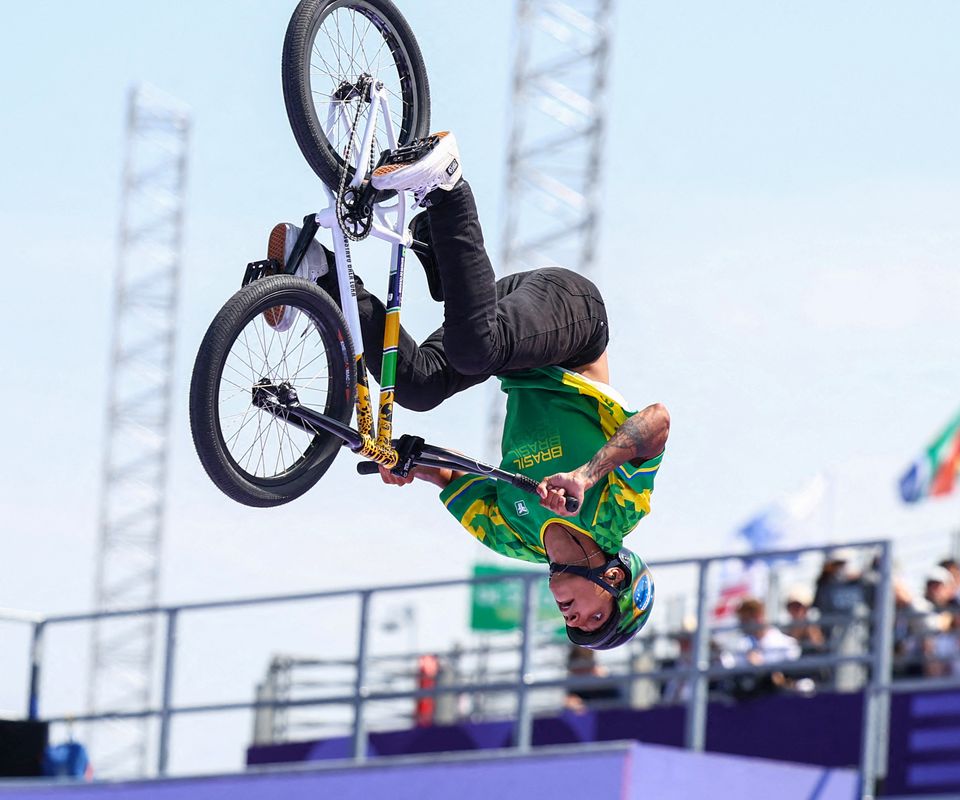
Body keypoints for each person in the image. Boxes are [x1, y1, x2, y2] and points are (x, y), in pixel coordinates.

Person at [266, 133, 669, 650]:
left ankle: (321, 273)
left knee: (418, 385)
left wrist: (409, 465)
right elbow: (656, 421)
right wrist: (587, 475)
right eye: (591, 620)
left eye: (573, 628)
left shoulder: (512, 538)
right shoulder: (619, 513)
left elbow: (453, 476)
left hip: (505, 346)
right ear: (615, 581)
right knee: (475, 348)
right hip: (571, 321)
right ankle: (447, 185)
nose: (570, 618)